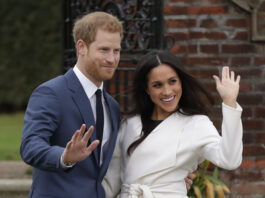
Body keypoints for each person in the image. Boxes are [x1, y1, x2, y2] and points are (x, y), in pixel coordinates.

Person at [102, 50, 243, 198]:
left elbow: (230, 160)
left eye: (172, 81)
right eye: (157, 85)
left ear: (181, 81)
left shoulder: (196, 123)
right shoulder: (128, 124)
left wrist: (229, 102)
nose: (167, 91)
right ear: (146, 89)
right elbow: (110, 184)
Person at [20, 11, 123, 198]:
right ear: (82, 47)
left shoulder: (112, 106)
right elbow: (30, 146)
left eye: (116, 51)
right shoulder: (51, 93)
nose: (112, 59)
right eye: (104, 50)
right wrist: (64, 157)